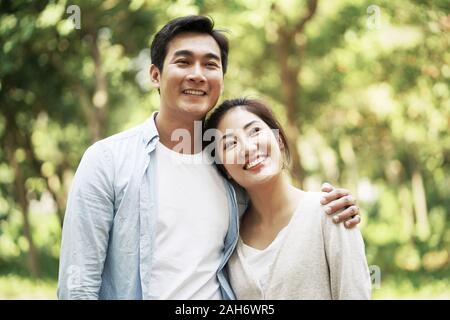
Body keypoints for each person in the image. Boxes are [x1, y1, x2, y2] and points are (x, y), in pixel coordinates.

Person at [57, 15, 362, 300]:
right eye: (183, 61)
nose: (197, 74)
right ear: (155, 75)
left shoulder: (230, 167)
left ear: (221, 79)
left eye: (210, 64)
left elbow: (278, 207)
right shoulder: (108, 161)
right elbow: (78, 284)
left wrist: (334, 207)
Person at [204, 98, 371, 299]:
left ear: (279, 141)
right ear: (225, 169)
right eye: (230, 144)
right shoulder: (230, 239)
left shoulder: (330, 212)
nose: (247, 147)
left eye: (255, 131)